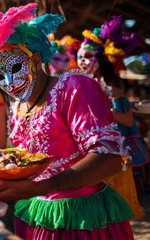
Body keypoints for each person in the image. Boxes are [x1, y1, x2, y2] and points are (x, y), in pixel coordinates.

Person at [0, 3, 134, 239]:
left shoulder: (73, 87)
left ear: (37, 59)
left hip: (83, 220)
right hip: (34, 214)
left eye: (16, 67)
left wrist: (44, 187)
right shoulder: (18, 106)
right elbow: (22, 160)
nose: (8, 81)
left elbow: (109, 158)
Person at [78, 16, 146, 219]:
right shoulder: (80, 83)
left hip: (115, 152)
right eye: (80, 56)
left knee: (116, 211)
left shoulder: (112, 85)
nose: (83, 61)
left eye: (88, 56)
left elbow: (126, 120)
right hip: (90, 150)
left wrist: (99, 109)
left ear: (100, 59)